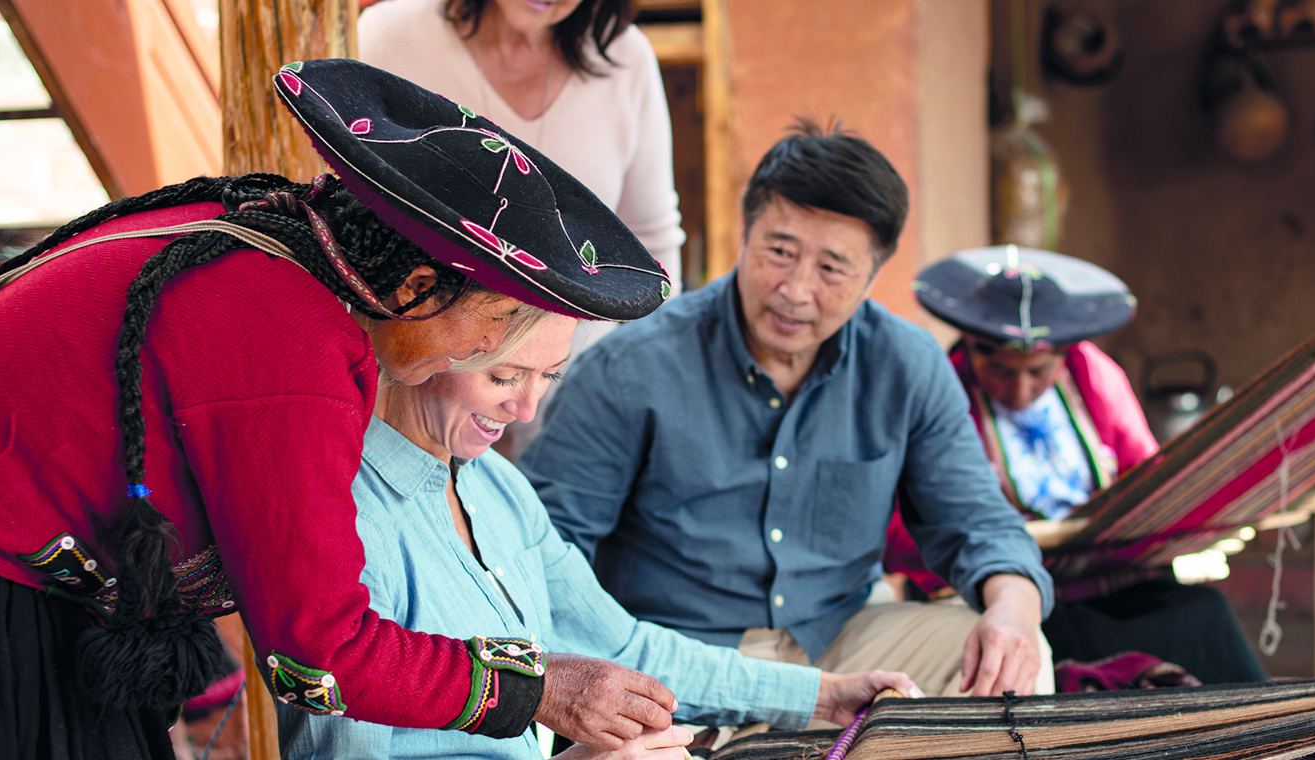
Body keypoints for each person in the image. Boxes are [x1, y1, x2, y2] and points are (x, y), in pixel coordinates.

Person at [0, 60, 680, 758]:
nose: (480, 361)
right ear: (413, 288)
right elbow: (318, 655)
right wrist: (540, 690)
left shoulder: (282, 239)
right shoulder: (288, 342)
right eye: (493, 331)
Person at [522, 121, 1054, 701]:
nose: (796, 290)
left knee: (1009, 653)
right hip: (676, 659)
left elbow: (978, 523)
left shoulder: (907, 364)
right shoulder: (630, 366)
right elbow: (548, 549)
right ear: (744, 234)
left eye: (831, 268)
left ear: (872, 275)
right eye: (780, 252)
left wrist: (1015, 610)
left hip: (839, 639)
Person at [283, 308, 918, 759]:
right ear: (421, 344)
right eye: (504, 377)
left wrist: (823, 698)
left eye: (549, 376)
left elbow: (623, 648)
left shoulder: (496, 487)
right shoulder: (343, 520)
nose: (526, 410)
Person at [890, 246, 1267, 687]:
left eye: (1038, 372)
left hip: (1105, 576)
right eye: (1000, 371)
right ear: (972, 352)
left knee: (1203, 613)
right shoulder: (942, 393)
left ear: (1064, 356)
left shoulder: (1094, 376)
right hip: (1003, 590)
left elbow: (1147, 479)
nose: (1019, 389)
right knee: (1067, 635)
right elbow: (906, 528)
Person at [360, 0, 683, 345]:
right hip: (420, 361)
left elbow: (650, 244)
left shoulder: (625, 58)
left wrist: (651, 358)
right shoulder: (387, 37)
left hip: (580, 370)